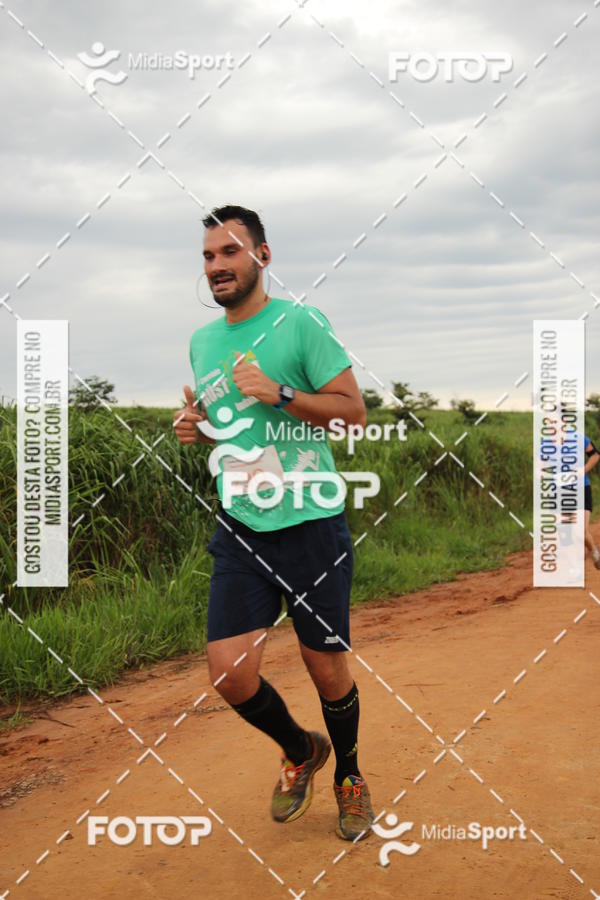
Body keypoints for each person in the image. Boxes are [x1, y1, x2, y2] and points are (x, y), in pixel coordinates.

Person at [173, 204, 374, 841]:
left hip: (312, 522)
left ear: (262, 255)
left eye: (229, 253)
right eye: (208, 257)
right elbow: (223, 423)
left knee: (326, 668)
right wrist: (195, 428)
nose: (216, 267)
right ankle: (298, 749)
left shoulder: (300, 324)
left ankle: (349, 774)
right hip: (241, 524)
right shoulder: (203, 341)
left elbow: (353, 414)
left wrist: (282, 394)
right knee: (231, 673)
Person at [583, 433, 600, 568]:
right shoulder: (546, 443)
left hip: (581, 488)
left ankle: (594, 552)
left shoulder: (578, 437)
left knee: (581, 530)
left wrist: (582, 471)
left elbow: (595, 455)